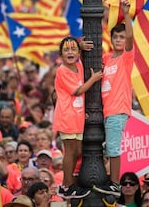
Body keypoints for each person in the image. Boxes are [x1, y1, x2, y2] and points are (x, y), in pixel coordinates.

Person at [53, 36, 103, 199]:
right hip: (67, 116)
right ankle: (67, 186)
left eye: (73, 49)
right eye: (66, 50)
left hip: (78, 116)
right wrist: (94, 79)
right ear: (60, 54)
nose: (70, 52)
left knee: (77, 151)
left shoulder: (78, 65)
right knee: (70, 151)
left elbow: (78, 54)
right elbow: (77, 91)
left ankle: (69, 184)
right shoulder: (62, 70)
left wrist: (79, 46)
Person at [95, 0, 134, 197]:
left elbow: (130, 38)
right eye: (115, 37)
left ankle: (115, 184)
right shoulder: (106, 58)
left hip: (118, 110)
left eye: (121, 36)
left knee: (113, 149)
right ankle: (108, 180)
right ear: (110, 39)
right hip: (104, 110)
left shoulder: (126, 57)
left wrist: (126, 14)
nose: (119, 40)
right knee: (105, 148)